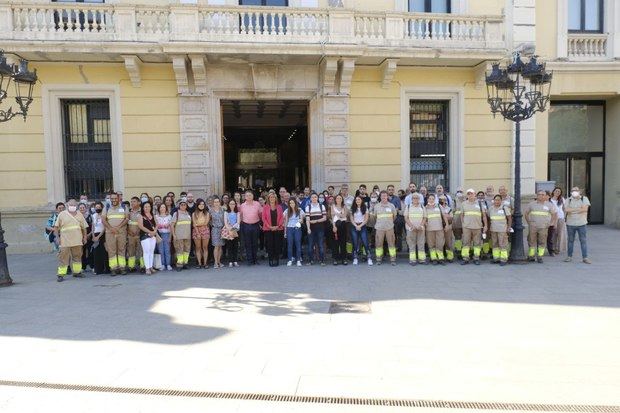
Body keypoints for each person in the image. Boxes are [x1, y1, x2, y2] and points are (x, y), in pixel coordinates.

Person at [53, 199, 88, 282]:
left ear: (76, 206)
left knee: (77, 257)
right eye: (70, 205)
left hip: (77, 241)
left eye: (74, 205)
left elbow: (84, 227)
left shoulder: (79, 214)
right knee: (63, 258)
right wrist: (57, 238)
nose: (72, 206)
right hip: (65, 241)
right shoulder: (62, 214)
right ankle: (61, 274)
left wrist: (85, 237)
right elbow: (56, 227)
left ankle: (77, 272)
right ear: (67, 205)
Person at [524, 190, 557, 263]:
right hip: (533, 226)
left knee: (542, 242)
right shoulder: (531, 204)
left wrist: (551, 223)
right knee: (531, 241)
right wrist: (529, 222)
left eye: (543, 194)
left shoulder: (549, 205)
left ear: (545, 196)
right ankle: (531, 256)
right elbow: (526, 213)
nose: (541, 196)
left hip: (544, 227)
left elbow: (554, 214)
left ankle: (540, 256)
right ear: (537, 195)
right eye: (539, 194)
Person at [102, 192, 129, 275]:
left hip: (121, 232)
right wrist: (111, 228)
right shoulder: (106, 207)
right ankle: (113, 268)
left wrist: (118, 227)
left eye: (115, 198)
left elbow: (127, 219)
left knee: (121, 249)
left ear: (119, 198)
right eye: (112, 198)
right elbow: (103, 220)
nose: (114, 200)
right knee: (111, 250)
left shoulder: (124, 207)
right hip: (110, 233)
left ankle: (122, 268)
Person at [564, 186, 591, 264]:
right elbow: (566, 210)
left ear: (579, 191)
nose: (574, 191)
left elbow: (585, 209)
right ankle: (569, 256)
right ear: (570, 192)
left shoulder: (584, 199)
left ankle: (585, 258)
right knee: (570, 241)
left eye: (576, 190)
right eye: (573, 190)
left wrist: (572, 210)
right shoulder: (568, 200)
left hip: (582, 223)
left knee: (583, 241)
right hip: (570, 224)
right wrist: (579, 209)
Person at [460, 188, 487, 265]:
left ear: (475, 194)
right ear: (467, 195)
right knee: (465, 243)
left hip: (477, 227)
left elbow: (484, 216)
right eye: (468, 194)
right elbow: (462, 215)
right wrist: (463, 224)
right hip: (467, 227)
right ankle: (465, 258)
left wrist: (485, 226)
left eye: (471, 193)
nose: (470, 195)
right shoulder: (464, 203)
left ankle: (476, 258)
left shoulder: (480, 203)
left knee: (477, 243)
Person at [372, 190, 397, 265]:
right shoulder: (376, 206)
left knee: (391, 244)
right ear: (380, 197)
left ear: (387, 196)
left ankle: (393, 259)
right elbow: (375, 217)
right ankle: (378, 259)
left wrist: (389, 222)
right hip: (379, 228)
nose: (383, 197)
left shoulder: (391, 205)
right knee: (379, 244)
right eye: (382, 196)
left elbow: (394, 216)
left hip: (390, 228)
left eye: (385, 196)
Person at [239, 190, 262, 266]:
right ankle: (250, 260)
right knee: (247, 243)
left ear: (253, 196)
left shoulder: (257, 204)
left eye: (250, 195)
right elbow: (241, 216)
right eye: (247, 195)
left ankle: (255, 259)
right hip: (246, 226)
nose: (248, 197)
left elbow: (260, 214)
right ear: (245, 197)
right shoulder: (242, 205)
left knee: (255, 243)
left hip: (255, 225)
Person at [425, 194, 449, 265]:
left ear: (434, 199)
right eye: (430, 199)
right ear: (427, 200)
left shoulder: (439, 206)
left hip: (439, 228)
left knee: (440, 244)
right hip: (429, 229)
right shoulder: (425, 208)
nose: (431, 200)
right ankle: (434, 258)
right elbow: (424, 218)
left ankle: (441, 258)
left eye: (433, 198)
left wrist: (447, 224)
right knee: (431, 244)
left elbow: (444, 216)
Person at [488, 194, 512, 266]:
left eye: (498, 200)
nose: (497, 201)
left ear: (501, 201)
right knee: (495, 244)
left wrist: (509, 227)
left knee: (503, 245)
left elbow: (509, 218)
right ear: (493, 201)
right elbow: (489, 218)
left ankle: (503, 259)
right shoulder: (491, 208)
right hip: (493, 229)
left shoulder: (504, 208)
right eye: (495, 200)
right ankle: (496, 258)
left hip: (502, 230)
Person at [262, 193, 284, 267]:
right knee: (270, 244)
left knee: (277, 244)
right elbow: (263, 218)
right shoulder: (265, 207)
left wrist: (277, 226)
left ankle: (276, 259)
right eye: (270, 197)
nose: (272, 198)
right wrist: (269, 226)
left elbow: (281, 217)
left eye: (273, 197)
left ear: (275, 198)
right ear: (268, 198)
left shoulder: (279, 207)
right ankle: (270, 259)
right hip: (268, 229)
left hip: (278, 228)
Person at [350, 195, 372, 266]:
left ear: (361, 200)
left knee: (365, 242)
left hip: (362, 226)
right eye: (356, 200)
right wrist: (356, 225)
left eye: (359, 199)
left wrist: (360, 225)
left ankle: (369, 258)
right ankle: (355, 258)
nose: (357, 201)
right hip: (354, 226)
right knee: (355, 243)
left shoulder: (365, 208)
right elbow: (351, 219)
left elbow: (366, 219)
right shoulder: (352, 208)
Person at [404, 192, 426, 265]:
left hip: (420, 228)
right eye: (414, 198)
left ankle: (422, 259)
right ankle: (412, 260)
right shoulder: (408, 206)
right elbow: (406, 218)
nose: (415, 199)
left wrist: (421, 225)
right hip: (411, 229)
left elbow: (425, 217)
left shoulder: (422, 207)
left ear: (419, 199)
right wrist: (412, 226)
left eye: (417, 198)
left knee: (421, 244)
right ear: (412, 199)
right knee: (411, 244)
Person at [305, 192, 327, 266]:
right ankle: (310, 260)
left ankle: (322, 261)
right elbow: (307, 219)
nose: (314, 198)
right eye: (312, 197)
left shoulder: (322, 206)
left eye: (315, 197)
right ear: (310, 199)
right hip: (311, 228)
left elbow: (325, 218)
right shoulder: (308, 207)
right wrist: (308, 228)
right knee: (310, 245)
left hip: (320, 228)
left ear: (317, 198)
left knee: (320, 244)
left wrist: (316, 221)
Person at [137, 200, 158, 275]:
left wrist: (154, 231)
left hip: (153, 236)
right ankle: (147, 268)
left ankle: (151, 267)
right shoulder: (140, 216)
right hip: (145, 236)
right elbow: (141, 226)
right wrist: (150, 232)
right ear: (142, 208)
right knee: (146, 252)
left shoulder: (153, 215)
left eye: (149, 206)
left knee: (151, 252)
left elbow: (157, 224)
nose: (147, 208)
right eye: (145, 207)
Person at [171, 200, 192, 271]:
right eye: (181, 205)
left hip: (187, 236)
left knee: (187, 250)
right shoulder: (176, 214)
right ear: (179, 206)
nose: (183, 206)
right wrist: (173, 235)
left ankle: (185, 263)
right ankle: (179, 264)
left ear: (186, 206)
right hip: (178, 235)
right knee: (179, 250)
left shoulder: (188, 213)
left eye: (184, 204)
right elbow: (172, 225)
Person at [284, 198, 304, 267]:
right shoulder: (287, 211)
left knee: (298, 244)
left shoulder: (300, 210)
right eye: (290, 203)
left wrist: (300, 221)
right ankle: (290, 260)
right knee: (290, 244)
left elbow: (302, 219)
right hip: (289, 228)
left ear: (295, 203)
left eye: (293, 203)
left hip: (297, 228)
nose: (291, 204)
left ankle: (298, 260)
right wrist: (285, 232)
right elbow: (286, 221)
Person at [90, 201, 109, 275]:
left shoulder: (104, 215)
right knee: (96, 253)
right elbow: (93, 226)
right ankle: (98, 269)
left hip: (102, 234)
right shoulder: (94, 215)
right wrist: (93, 236)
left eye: (99, 207)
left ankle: (106, 268)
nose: (98, 208)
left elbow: (105, 227)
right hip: (95, 235)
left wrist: (98, 236)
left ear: (102, 207)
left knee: (104, 252)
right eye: (96, 207)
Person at [127, 197, 144, 273]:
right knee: (131, 251)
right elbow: (126, 224)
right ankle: (131, 266)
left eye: (134, 201)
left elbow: (144, 224)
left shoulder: (142, 212)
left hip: (140, 235)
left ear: (139, 202)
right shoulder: (129, 213)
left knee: (141, 251)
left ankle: (142, 266)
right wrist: (129, 231)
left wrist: (140, 231)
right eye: (131, 201)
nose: (132, 203)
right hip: (130, 235)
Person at [330, 194, 349, 265]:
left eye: (340, 198)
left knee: (343, 242)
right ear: (335, 199)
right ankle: (335, 258)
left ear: (342, 199)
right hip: (336, 225)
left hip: (343, 225)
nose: (339, 199)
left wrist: (336, 213)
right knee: (335, 243)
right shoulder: (332, 206)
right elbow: (332, 217)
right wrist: (334, 226)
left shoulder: (344, 206)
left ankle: (344, 258)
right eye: (337, 198)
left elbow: (344, 215)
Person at [192, 199, 211, 268]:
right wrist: (197, 232)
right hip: (196, 231)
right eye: (200, 204)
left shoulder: (207, 213)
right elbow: (194, 224)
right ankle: (199, 263)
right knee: (198, 248)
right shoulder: (194, 214)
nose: (201, 205)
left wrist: (198, 223)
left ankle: (205, 263)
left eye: (203, 204)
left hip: (205, 231)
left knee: (205, 247)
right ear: (197, 205)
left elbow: (206, 223)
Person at [549, 187, 567, 256]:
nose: (557, 192)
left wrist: (565, 217)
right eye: (556, 191)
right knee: (553, 234)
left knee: (560, 234)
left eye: (559, 192)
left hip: (561, 218)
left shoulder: (562, 199)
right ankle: (552, 248)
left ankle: (558, 249)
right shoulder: (549, 200)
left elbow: (564, 208)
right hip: (552, 219)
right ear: (553, 192)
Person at [155, 203, 173, 271]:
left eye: (164, 207)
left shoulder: (169, 217)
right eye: (161, 207)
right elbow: (155, 227)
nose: (162, 209)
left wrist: (170, 237)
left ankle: (168, 264)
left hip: (167, 234)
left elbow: (171, 228)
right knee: (161, 250)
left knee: (167, 250)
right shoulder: (156, 217)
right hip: (159, 234)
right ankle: (162, 264)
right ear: (159, 208)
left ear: (166, 208)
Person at [387, 184, 404, 253]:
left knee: (398, 234)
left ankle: (399, 248)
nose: (391, 191)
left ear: (394, 190)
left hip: (396, 219)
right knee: (389, 235)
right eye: (389, 189)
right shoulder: (385, 198)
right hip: (387, 220)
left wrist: (390, 210)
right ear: (387, 190)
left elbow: (398, 208)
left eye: (392, 190)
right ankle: (389, 248)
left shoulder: (397, 198)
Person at [210, 197, 226, 268]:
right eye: (215, 202)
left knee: (220, 246)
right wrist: (212, 225)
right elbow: (209, 220)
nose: (216, 203)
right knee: (216, 246)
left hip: (222, 229)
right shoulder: (210, 211)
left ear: (220, 203)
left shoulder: (222, 210)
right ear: (213, 203)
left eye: (218, 202)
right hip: (215, 229)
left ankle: (219, 261)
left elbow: (225, 219)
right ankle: (215, 263)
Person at [438, 194, 455, 262]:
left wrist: (444, 216)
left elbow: (451, 218)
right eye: (440, 199)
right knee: (440, 243)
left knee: (448, 243)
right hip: (439, 227)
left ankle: (449, 257)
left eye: (443, 199)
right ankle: (441, 257)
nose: (442, 201)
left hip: (448, 227)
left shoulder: (449, 208)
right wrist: (445, 216)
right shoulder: (437, 208)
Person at [224, 199, 240, 267]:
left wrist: (234, 229)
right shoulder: (226, 212)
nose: (232, 205)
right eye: (230, 204)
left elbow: (238, 221)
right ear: (228, 205)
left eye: (233, 204)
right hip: (229, 231)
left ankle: (235, 261)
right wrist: (229, 230)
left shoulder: (237, 212)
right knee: (229, 246)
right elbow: (225, 222)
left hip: (236, 230)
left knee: (235, 246)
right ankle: (230, 261)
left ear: (235, 205)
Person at [78, 202, 93, 272]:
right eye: (80, 208)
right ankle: (83, 267)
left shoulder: (90, 216)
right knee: (82, 253)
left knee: (90, 251)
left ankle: (92, 266)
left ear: (86, 208)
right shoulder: (77, 217)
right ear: (78, 209)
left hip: (89, 236)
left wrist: (89, 234)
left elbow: (93, 226)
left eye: (83, 208)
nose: (82, 209)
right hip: (80, 238)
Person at [452, 188, 465, 257]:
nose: (459, 193)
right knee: (457, 236)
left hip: (465, 221)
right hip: (456, 221)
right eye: (458, 191)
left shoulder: (466, 200)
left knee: (466, 236)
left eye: (461, 191)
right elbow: (452, 211)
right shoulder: (454, 200)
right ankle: (458, 250)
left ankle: (467, 250)